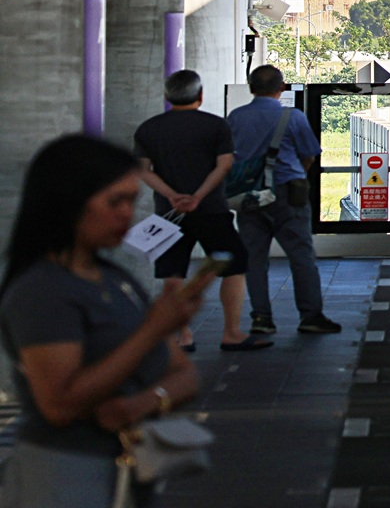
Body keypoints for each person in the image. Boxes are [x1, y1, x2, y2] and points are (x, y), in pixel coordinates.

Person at [0, 135, 211, 507]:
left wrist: (145, 402)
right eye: (115, 202)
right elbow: (60, 403)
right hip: (64, 474)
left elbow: (184, 374)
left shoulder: (115, 279)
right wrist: (151, 331)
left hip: (127, 469)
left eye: (131, 201)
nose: (126, 215)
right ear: (70, 202)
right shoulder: (43, 290)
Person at [133, 70, 272, 353]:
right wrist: (197, 196)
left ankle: (182, 335)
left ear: (167, 97)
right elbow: (224, 166)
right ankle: (231, 332)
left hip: (169, 215)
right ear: (200, 96)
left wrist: (173, 196)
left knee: (173, 275)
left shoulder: (148, 128)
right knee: (234, 266)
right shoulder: (215, 126)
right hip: (211, 210)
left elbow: (142, 170)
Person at [226, 65, 340, 335]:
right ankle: (311, 316)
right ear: (283, 87)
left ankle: (261, 319)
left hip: (249, 196)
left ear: (251, 87)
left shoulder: (236, 117)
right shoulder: (293, 117)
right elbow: (309, 154)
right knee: (301, 255)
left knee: (254, 259)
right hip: (289, 193)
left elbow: (229, 156)